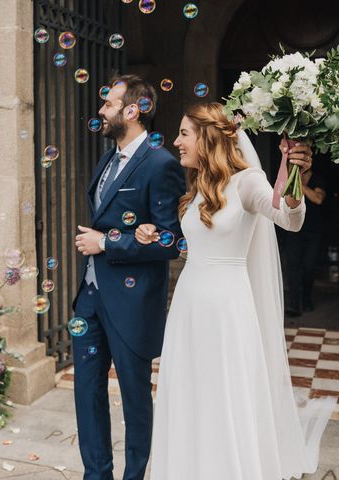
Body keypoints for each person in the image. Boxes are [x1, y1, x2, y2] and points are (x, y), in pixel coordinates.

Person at [137, 103, 334, 479]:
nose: (176, 142)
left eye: (184, 134)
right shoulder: (197, 187)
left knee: (224, 394)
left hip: (227, 307)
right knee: (190, 394)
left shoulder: (247, 181)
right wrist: (151, 232)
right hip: (189, 303)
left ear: (207, 137)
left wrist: (293, 178)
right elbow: (196, 239)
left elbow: (287, 218)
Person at [72, 75, 185, 480]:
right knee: (86, 393)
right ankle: (96, 474)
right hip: (89, 298)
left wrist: (108, 244)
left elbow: (171, 240)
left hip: (132, 304)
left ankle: (134, 476)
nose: (101, 111)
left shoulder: (161, 164)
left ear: (132, 110)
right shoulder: (107, 159)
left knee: (136, 399)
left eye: (109, 104)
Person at [285, 168, 326, 315]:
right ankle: (294, 304)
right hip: (294, 229)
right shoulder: (289, 176)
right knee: (293, 266)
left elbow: (318, 198)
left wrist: (301, 185)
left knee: (309, 266)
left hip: (314, 231)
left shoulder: (318, 178)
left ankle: (306, 298)